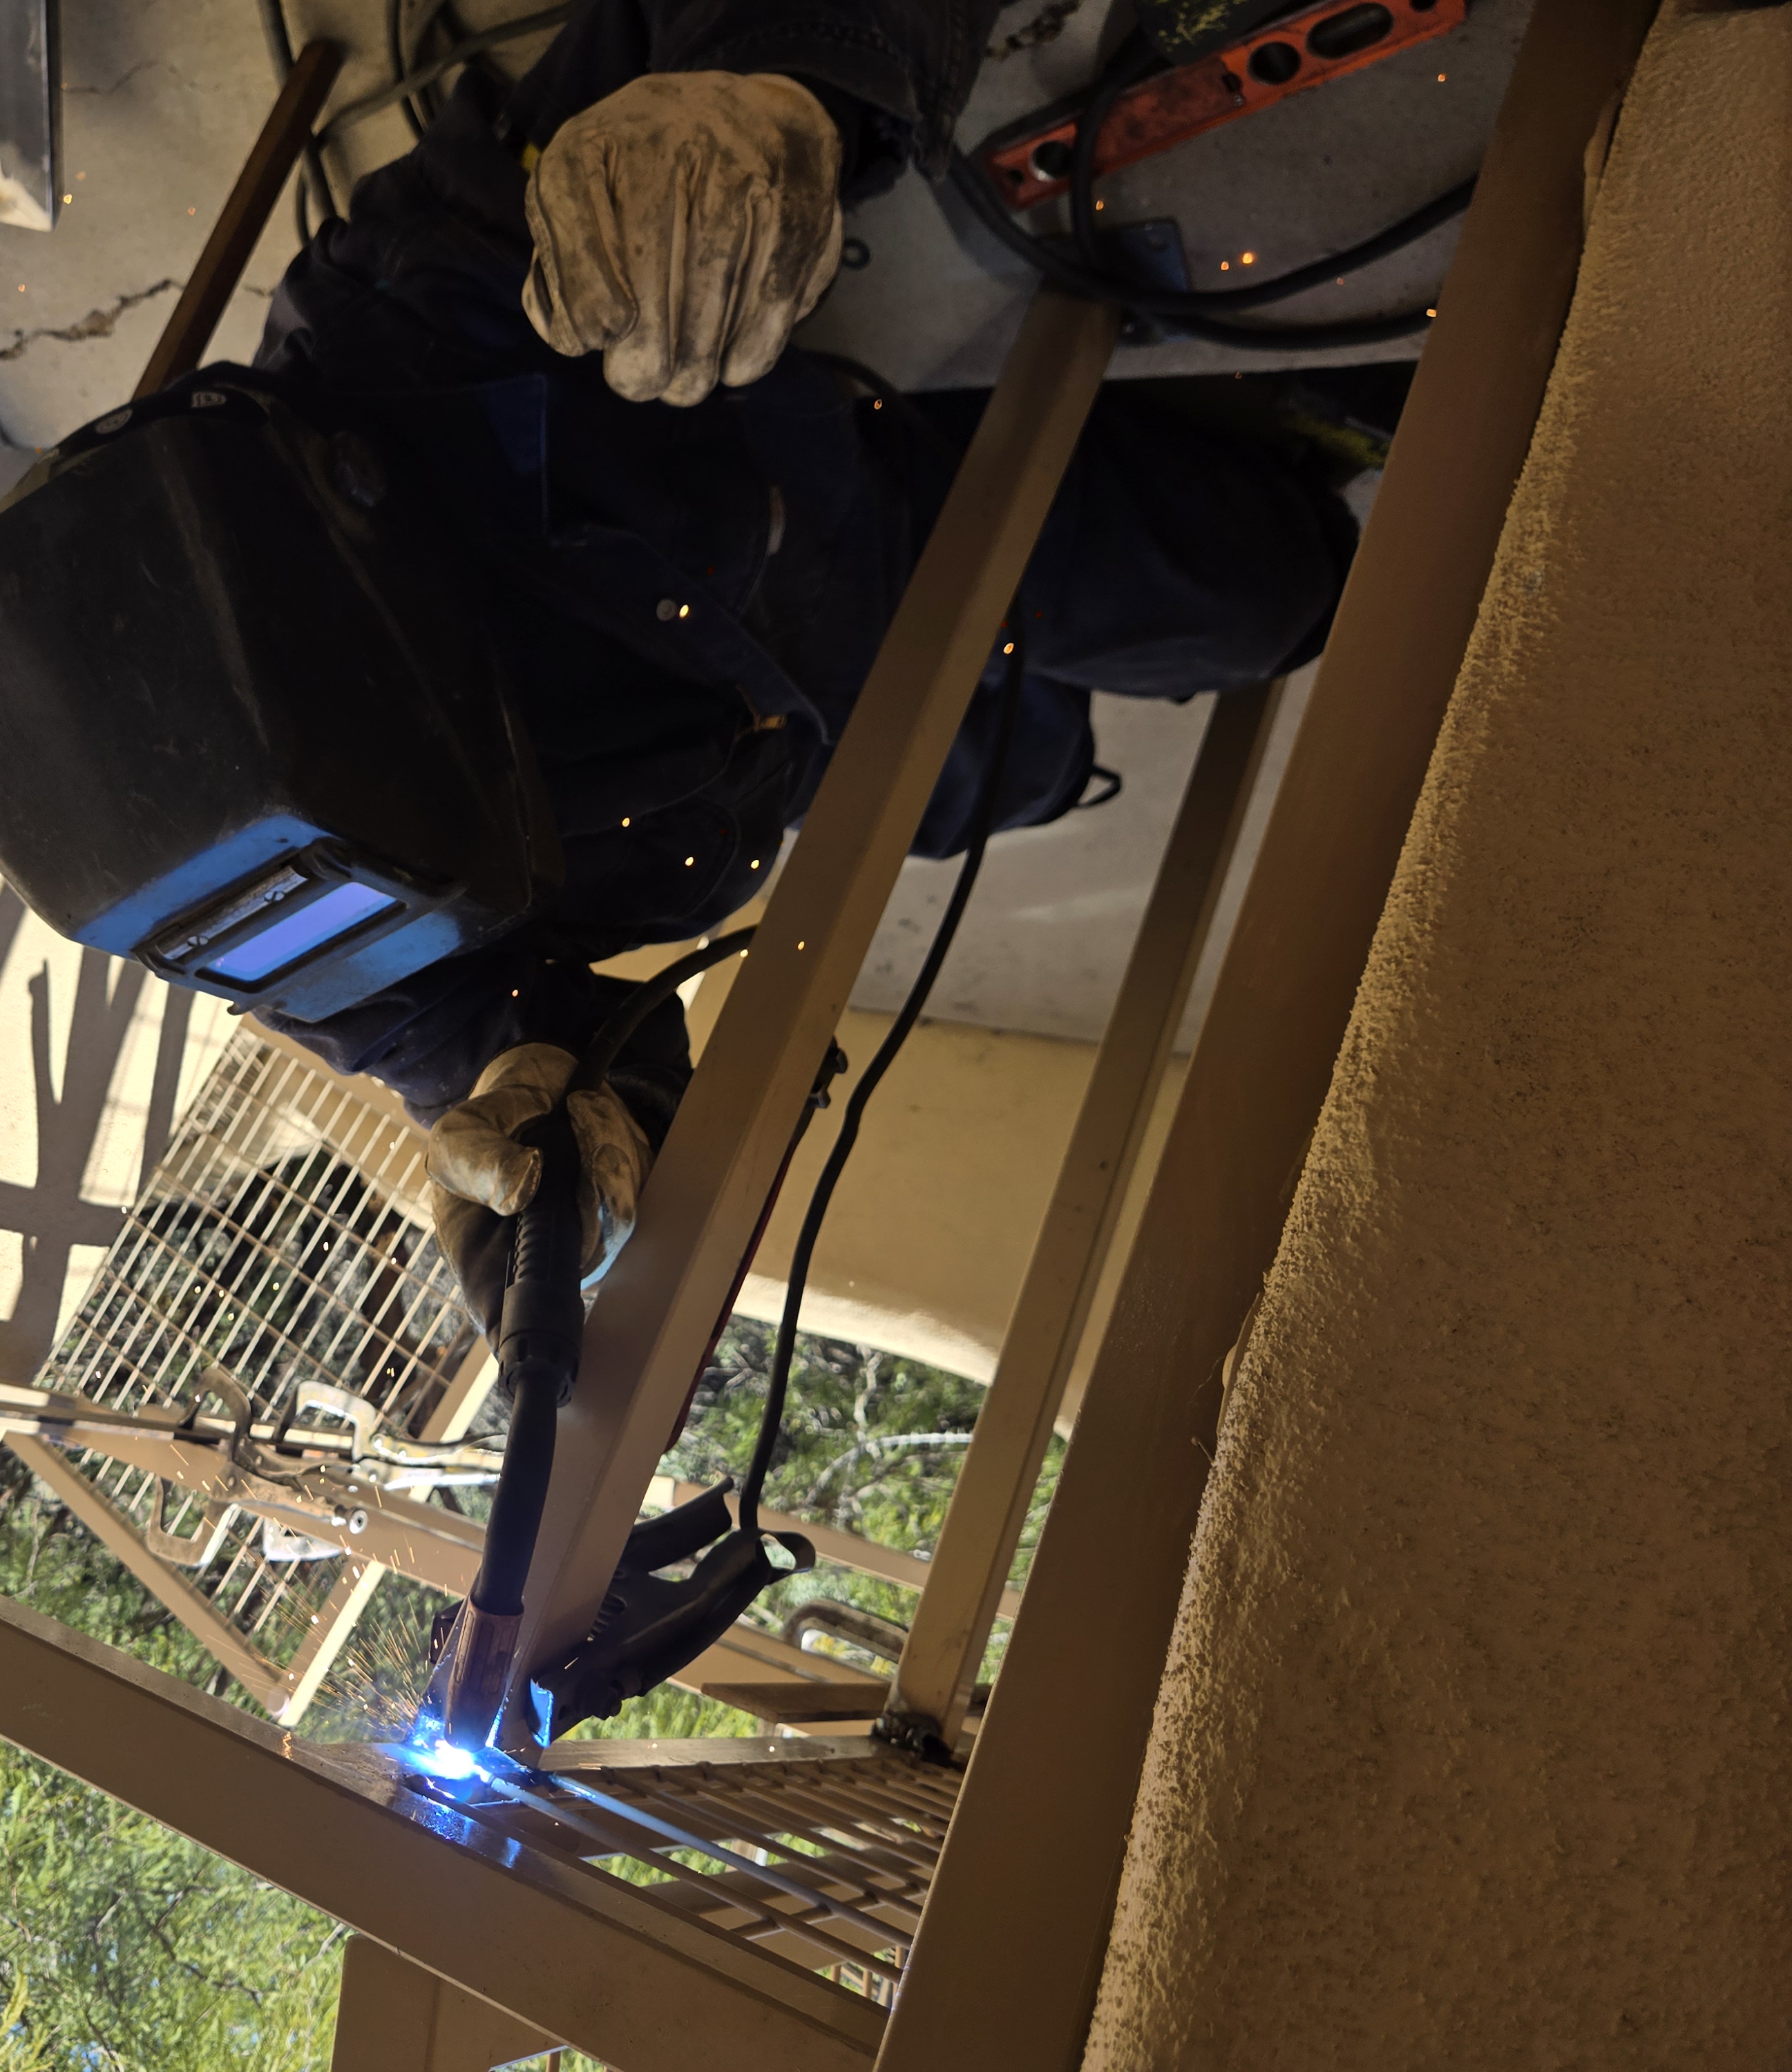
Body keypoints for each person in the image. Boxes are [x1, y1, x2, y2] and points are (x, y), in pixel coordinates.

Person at [227, 0, 1360, 1314]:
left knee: (1275, 592)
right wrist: (561, 1132)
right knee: (1029, 770)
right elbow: (457, 1038)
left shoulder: (410, 348)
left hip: (851, 512)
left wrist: (783, 82)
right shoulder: (297, 914)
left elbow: (619, 120)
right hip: (801, 723)